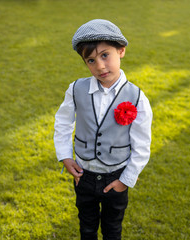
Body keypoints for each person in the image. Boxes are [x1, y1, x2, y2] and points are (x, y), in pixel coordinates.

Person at [54, 19, 152, 240]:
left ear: (121, 51)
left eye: (105, 55)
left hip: (115, 177)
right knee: (87, 226)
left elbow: (142, 144)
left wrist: (126, 179)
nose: (99, 66)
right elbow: (63, 123)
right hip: (84, 175)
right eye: (91, 60)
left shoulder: (137, 97)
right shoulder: (76, 89)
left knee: (112, 229)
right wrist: (65, 156)